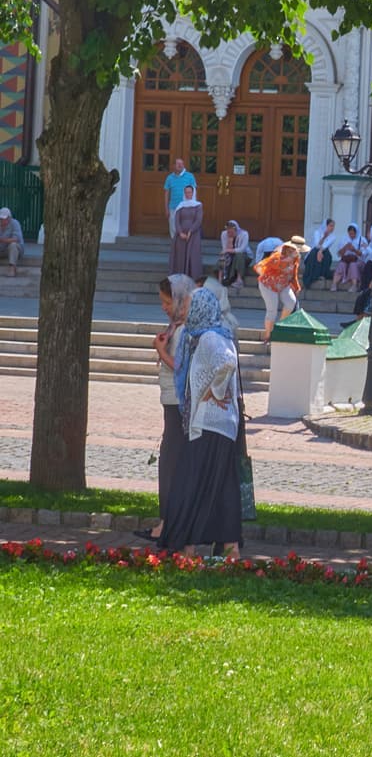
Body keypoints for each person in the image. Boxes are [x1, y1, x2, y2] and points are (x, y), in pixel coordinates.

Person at [157, 288, 242, 559]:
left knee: (188, 482)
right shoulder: (217, 334)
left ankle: (185, 546)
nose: (185, 310)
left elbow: (227, 364)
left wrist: (213, 392)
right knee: (221, 485)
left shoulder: (209, 338)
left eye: (189, 305)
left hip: (208, 424)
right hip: (222, 424)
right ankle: (228, 547)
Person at [134, 274, 196, 543]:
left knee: (171, 463)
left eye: (167, 302)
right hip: (172, 401)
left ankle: (168, 525)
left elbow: (182, 367)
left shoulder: (185, 330)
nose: (164, 307)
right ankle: (167, 522)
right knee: (171, 461)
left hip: (178, 402)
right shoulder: (177, 327)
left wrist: (161, 351)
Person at [254, 240, 303, 343]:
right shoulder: (277, 255)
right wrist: (288, 259)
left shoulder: (296, 258)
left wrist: (296, 286)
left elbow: (294, 272)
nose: (299, 252)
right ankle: (268, 336)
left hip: (283, 284)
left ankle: (279, 327)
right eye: (297, 249)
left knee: (291, 303)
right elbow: (261, 265)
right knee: (272, 310)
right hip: (268, 285)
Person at [169, 185, 203, 277]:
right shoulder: (180, 205)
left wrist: (190, 231)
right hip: (181, 235)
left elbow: (198, 220)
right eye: (186, 192)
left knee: (192, 255)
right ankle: (179, 276)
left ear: (193, 193)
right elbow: (177, 220)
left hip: (193, 235)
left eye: (190, 192)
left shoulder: (198, 205)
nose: (188, 194)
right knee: (180, 256)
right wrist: (180, 232)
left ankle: (192, 277)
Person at [163, 158, 197, 238]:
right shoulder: (169, 178)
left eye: (181, 164)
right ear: (173, 166)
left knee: (186, 227)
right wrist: (166, 209)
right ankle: (175, 243)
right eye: (178, 164)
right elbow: (166, 194)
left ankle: (185, 244)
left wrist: (194, 207)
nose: (180, 165)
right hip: (173, 207)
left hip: (187, 207)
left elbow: (194, 192)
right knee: (173, 228)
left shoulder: (190, 176)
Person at [303, 218, 336, 289]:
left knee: (327, 255)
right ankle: (313, 275)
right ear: (326, 226)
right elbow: (317, 245)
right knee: (315, 252)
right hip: (314, 252)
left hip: (323, 252)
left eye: (333, 226)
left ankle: (322, 274)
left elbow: (326, 245)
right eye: (330, 226)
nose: (332, 228)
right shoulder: (317, 232)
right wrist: (324, 237)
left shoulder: (333, 236)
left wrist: (320, 251)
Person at [217, 220, 252, 288]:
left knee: (239, 256)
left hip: (244, 256)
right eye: (228, 231)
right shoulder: (224, 234)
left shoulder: (244, 234)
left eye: (231, 231)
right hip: (231, 255)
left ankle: (239, 280)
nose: (229, 233)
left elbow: (242, 249)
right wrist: (229, 241)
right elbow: (224, 248)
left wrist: (227, 250)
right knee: (222, 258)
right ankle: (220, 280)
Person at [330, 223, 364, 291]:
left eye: (353, 234)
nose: (351, 235)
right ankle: (334, 284)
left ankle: (354, 285)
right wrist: (345, 247)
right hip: (346, 259)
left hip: (358, 261)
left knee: (353, 265)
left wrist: (354, 250)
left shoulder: (362, 240)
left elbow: (363, 254)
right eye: (350, 234)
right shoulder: (344, 239)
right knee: (341, 264)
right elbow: (339, 254)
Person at [0, 207, 24, 277]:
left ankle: (12, 268)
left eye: (3, 218)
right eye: (1, 218)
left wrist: (2, 240)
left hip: (15, 250)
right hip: (2, 249)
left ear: (9, 218)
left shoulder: (15, 223)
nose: (1, 220)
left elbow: (16, 239)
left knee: (13, 245)